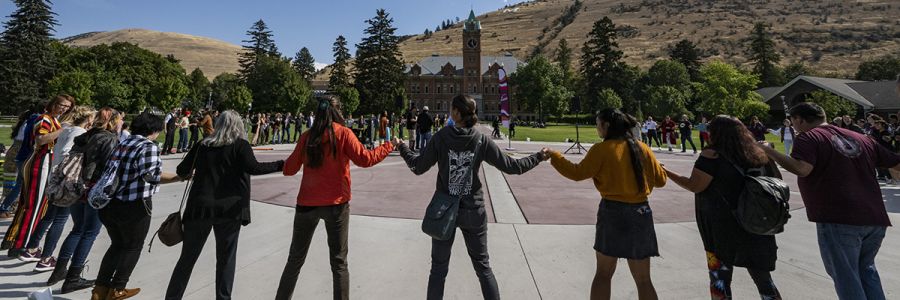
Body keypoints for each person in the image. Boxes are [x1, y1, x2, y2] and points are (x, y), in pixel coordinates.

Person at [393, 95, 547, 300]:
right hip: (474, 209)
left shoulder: (441, 137)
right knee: (483, 268)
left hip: (444, 210)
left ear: (457, 113)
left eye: (451, 109)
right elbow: (513, 167)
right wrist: (538, 156)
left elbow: (418, 166)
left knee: (438, 270)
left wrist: (401, 147)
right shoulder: (480, 140)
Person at [760, 102, 900, 300]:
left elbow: (802, 168)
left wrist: (769, 151)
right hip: (874, 217)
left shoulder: (809, 137)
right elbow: (896, 163)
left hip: (839, 217)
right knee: (866, 271)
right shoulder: (861, 138)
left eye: (793, 121)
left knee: (847, 277)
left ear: (799, 120)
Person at [276, 97, 394, 300]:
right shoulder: (344, 133)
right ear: (337, 111)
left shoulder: (306, 137)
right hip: (336, 204)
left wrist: (282, 164)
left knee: (294, 260)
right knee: (339, 263)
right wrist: (388, 146)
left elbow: (290, 169)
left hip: (307, 203)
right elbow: (365, 159)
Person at [545, 108, 667, 300]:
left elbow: (577, 173)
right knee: (644, 280)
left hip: (612, 213)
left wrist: (555, 156)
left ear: (606, 125)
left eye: (598, 124)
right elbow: (661, 181)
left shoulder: (601, 150)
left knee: (603, 274)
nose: (597, 128)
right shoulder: (642, 148)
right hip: (641, 212)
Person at [165, 111, 284, 300]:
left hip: (200, 207)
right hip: (229, 209)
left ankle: (173, 297)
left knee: (187, 259)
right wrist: (280, 164)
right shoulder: (240, 146)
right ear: (238, 126)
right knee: (226, 260)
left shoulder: (203, 145)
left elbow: (182, 170)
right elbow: (254, 168)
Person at [664, 115, 783, 299]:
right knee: (763, 279)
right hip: (756, 221)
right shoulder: (759, 153)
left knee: (719, 278)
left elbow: (695, 185)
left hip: (722, 225)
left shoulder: (712, 155)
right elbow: (777, 181)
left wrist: (665, 172)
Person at [90, 111, 183, 299]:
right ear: (153, 130)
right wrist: (179, 177)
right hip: (134, 204)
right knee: (133, 246)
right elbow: (152, 176)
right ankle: (118, 288)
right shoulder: (148, 146)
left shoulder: (122, 143)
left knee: (117, 245)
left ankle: (99, 289)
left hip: (110, 202)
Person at [47, 107, 123, 293]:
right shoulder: (109, 139)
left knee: (77, 229)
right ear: (113, 121)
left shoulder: (85, 136)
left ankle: (59, 270)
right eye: (120, 119)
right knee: (90, 232)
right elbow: (109, 168)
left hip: (76, 186)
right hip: (93, 188)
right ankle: (73, 277)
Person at [2, 95, 74, 258]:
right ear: (54, 103)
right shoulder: (45, 119)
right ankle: (21, 245)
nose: (64, 109)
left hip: (44, 162)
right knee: (34, 207)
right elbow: (41, 139)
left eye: (67, 107)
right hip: (40, 162)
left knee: (32, 205)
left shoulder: (53, 119)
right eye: (62, 105)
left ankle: (14, 241)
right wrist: (62, 130)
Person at [29, 106, 95, 273]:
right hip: (65, 182)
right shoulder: (79, 132)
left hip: (55, 177)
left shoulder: (66, 129)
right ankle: (45, 259)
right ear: (88, 119)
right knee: (59, 219)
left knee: (49, 216)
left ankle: (32, 248)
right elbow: (67, 153)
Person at [0, 110, 34, 219]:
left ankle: (7, 206)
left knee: (10, 180)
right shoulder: (29, 124)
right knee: (19, 182)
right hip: (22, 152)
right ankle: (9, 206)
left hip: (13, 151)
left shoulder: (21, 123)